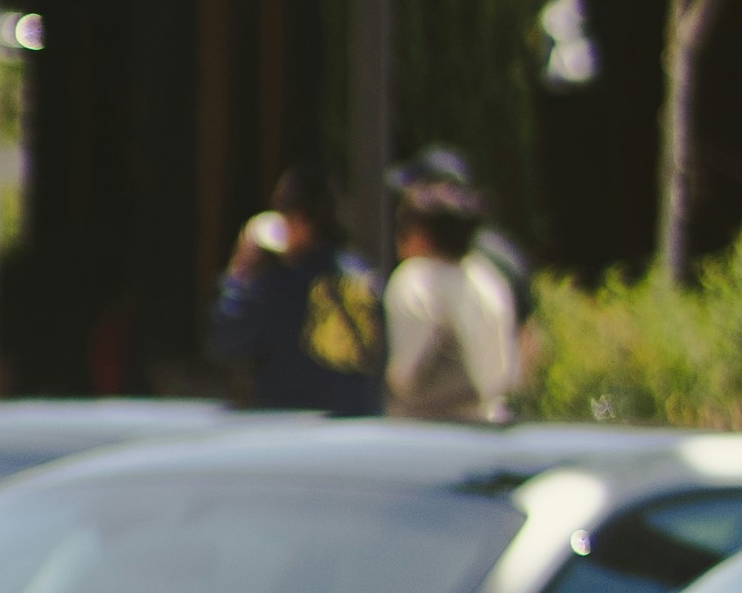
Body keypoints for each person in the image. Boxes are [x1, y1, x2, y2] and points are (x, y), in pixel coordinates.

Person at [203, 168, 381, 413]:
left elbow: (223, 342)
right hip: (360, 435)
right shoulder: (369, 282)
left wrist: (240, 270)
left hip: (295, 438)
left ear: (298, 221)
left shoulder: (277, 286)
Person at [382, 150, 524, 423]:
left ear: (422, 235)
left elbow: (401, 375)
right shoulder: (490, 280)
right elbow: (506, 374)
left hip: (422, 431)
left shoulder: (413, 280)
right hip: (488, 425)